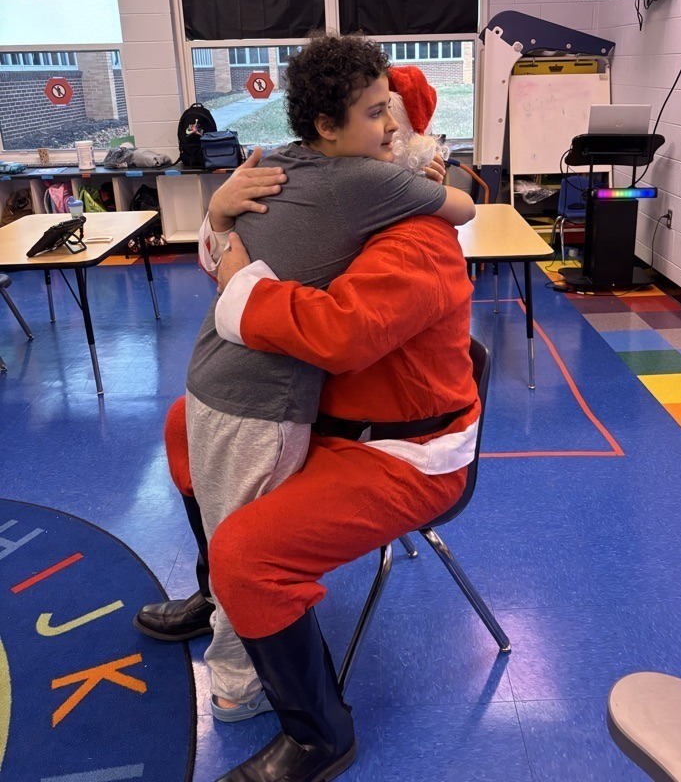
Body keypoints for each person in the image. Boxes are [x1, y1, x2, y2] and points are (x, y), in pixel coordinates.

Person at [135, 36, 475, 723]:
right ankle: (218, 597)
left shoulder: (418, 235)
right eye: (375, 115)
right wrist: (222, 215)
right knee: (182, 427)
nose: (388, 134)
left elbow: (337, 335)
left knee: (247, 553)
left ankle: (318, 730)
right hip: (333, 419)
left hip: (403, 454)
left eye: (397, 121)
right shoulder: (339, 204)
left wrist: (241, 280)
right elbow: (248, 258)